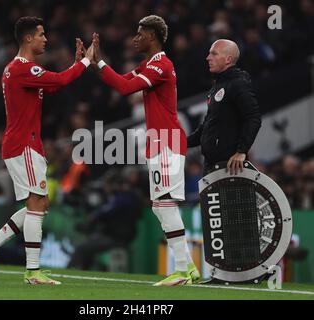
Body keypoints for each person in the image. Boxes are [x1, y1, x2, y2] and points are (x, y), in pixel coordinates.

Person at [0, 16, 94, 285]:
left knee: (38, 204)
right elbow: (61, 81)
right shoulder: (21, 69)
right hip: (23, 145)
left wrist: (75, 64)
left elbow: (56, 84)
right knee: (37, 203)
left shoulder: (21, 70)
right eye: (41, 34)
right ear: (28, 38)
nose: (45, 39)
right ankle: (33, 271)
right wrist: (86, 62)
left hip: (25, 144)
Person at [90, 15, 200, 286]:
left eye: (139, 34)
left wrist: (100, 61)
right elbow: (120, 82)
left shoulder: (161, 65)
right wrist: (95, 63)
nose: (135, 38)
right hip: (159, 142)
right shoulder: (149, 64)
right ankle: (190, 270)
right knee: (160, 205)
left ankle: (183, 271)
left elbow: (127, 88)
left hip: (168, 142)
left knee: (164, 204)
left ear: (152, 36)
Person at [186, 39, 262, 175]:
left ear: (228, 59)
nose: (208, 58)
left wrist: (241, 152)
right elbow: (207, 127)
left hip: (230, 166)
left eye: (214, 54)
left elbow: (253, 117)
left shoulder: (238, 84)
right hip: (212, 165)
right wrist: (179, 143)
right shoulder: (217, 86)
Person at [67, 168, 142, 270]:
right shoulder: (124, 196)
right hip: (114, 235)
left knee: (82, 248)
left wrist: (90, 221)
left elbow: (104, 212)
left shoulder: (123, 198)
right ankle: (82, 271)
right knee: (88, 244)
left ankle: (70, 271)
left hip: (117, 238)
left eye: (108, 184)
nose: (105, 187)